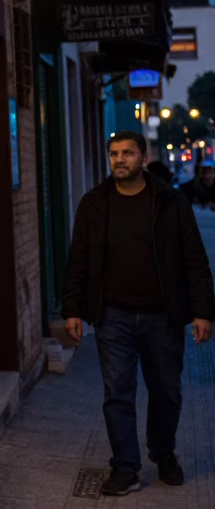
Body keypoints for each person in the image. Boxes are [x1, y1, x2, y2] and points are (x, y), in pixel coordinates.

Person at [62, 131, 215, 496]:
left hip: (162, 317)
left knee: (166, 391)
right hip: (113, 316)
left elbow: (194, 258)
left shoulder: (170, 201)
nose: (119, 160)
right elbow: (78, 260)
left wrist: (203, 311)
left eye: (128, 153)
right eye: (114, 153)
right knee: (117, 393)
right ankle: (126, 467)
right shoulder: (95, 203)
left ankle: (163, 453)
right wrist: (72, 309)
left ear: (143, 159)